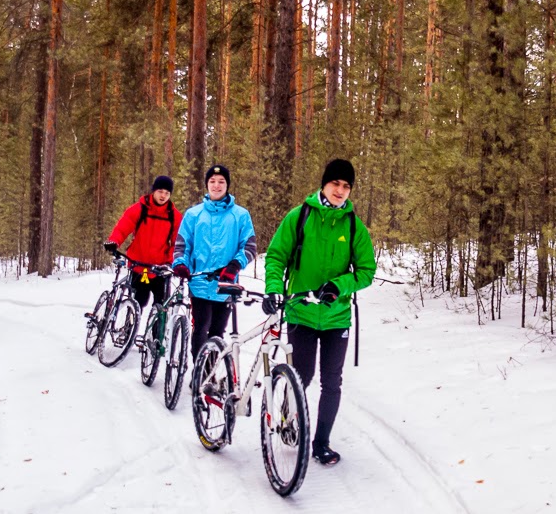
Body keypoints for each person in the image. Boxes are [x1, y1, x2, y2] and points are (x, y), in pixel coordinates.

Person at [263, 158, 376, 466]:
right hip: (300, 312)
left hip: (336, 316)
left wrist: (338, 286)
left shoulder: (354, 226)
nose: (340, 191)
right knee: (303, 375)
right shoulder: (299, 217)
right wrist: (274, 287)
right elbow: (275, 257)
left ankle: (321, 442)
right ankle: (288, 417)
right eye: (335, 184)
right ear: (324, 184)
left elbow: (367, 270)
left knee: (332, 381)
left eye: (346, 186)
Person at [172, 165, 257, 361]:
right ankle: (200, 375)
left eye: (221, 182)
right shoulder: (194, 214)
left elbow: (249, 246)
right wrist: (180, 264)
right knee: (201, 327)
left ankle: (210, 374)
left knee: (218, 332)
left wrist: (235, 265)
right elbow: (182, 245)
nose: (216, 186)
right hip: (199, 282)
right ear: (206, 185)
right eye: (212, 181)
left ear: (227, 185)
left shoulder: (241, 215)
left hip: (225, 284)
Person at [104, 175, 182, 312]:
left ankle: (157, 333)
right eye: (160, 191)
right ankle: (128, 332)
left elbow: (177, 243)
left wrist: (170, 261)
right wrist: (114, 242)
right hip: (139, 267)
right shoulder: (140, 209)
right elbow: (123, 227)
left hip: (160, 269)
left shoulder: (174, 216)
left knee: (161, 309)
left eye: (167, 193)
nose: (163, 196)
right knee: (137, 304)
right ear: (153, 191)